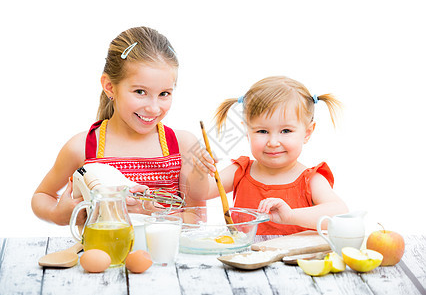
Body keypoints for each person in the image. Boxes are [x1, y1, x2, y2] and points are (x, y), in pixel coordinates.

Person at [32, 26, 210, 226]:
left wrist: (149, 212)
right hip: (104, 255)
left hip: (166, 257)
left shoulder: (182, 145)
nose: (153, 108)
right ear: (109, 87)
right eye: (140, 92)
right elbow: (42, 195)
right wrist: (57, 214)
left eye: (164, 94)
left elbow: (197, 219)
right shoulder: (82, 147)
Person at [196, 76, 348, 235]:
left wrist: (290, 215)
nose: (273, 142)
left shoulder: (311, 179)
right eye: (262, 131)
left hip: (292, 260)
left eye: (286, 131)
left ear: (307, 132)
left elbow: (340, 215)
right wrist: (199, 169)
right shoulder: (240, 170)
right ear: (247, 132)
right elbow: (202, 192)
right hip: (244, 258)